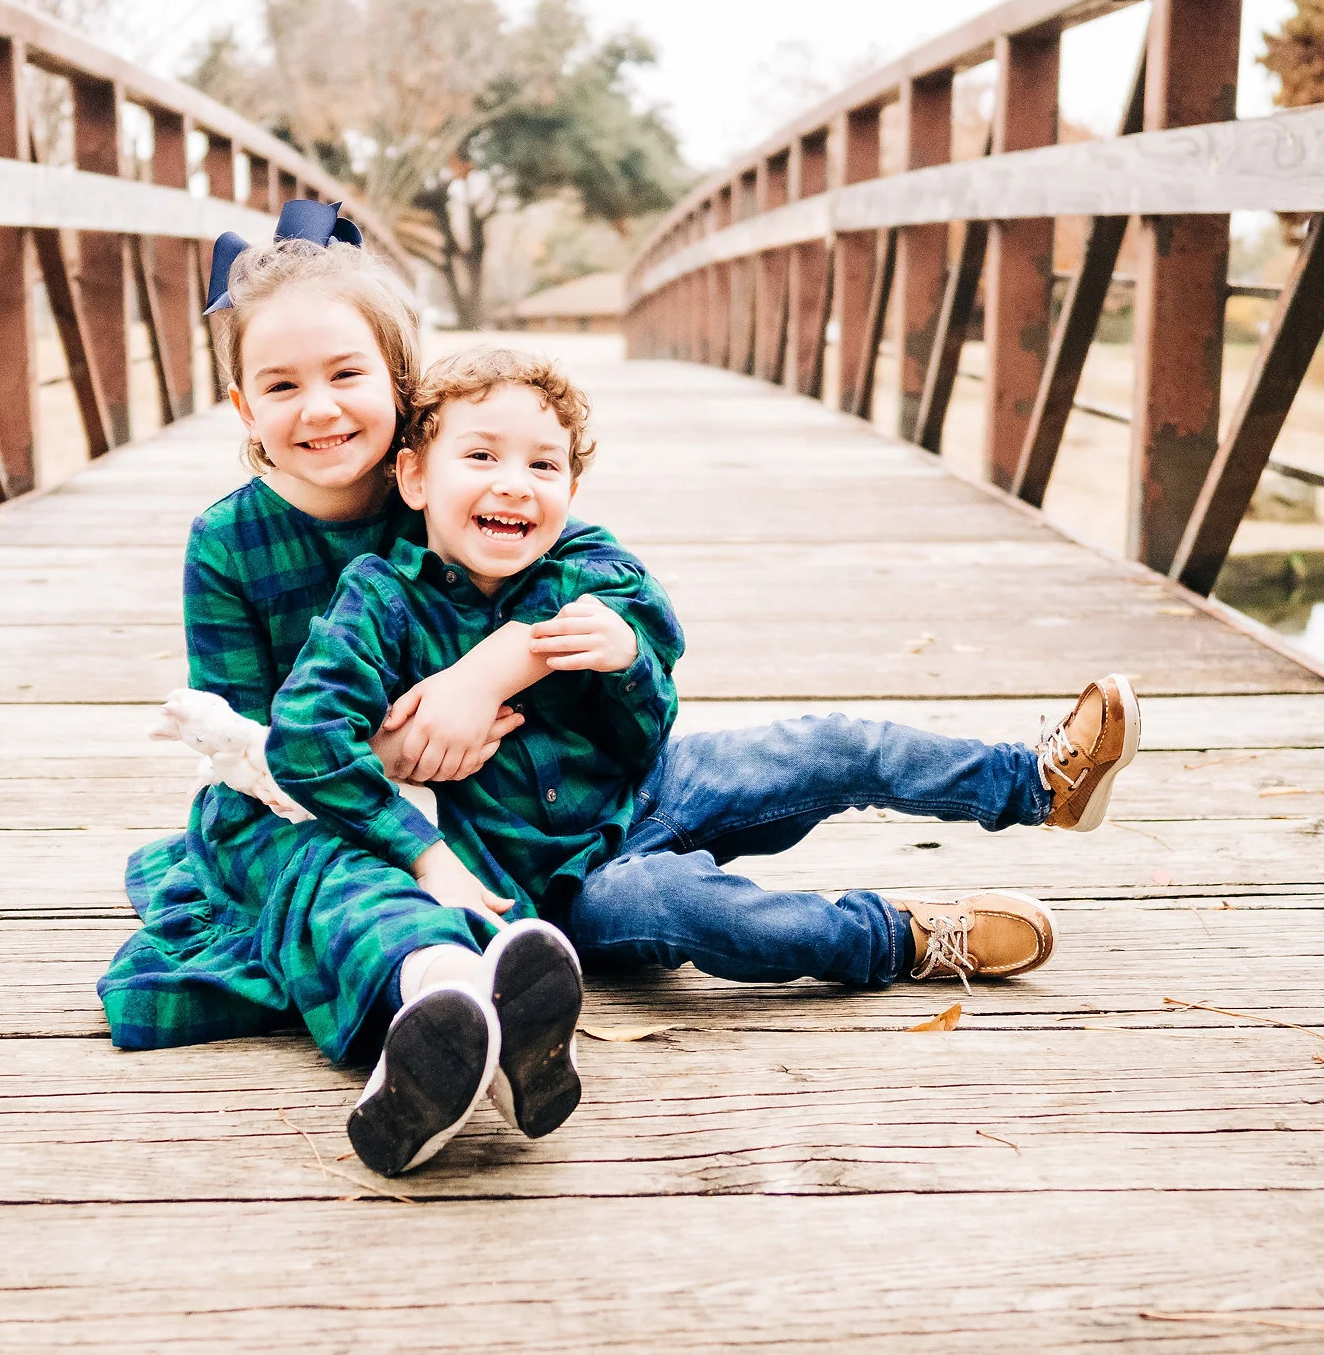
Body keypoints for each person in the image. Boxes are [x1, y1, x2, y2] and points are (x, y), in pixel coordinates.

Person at [262, 347, 1140, 1176]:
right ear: (415, 476)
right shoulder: (377, 603)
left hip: (650, 784)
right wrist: (424, 851)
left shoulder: (589, 566)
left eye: (544, 466)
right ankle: (900, 938)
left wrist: (627, 662)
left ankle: (1035, 783)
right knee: (716, 921)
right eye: (480, 455)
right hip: (572, 886)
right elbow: (301, 741)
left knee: (831, 746)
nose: (513, 485)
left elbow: (649, 717)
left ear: (572, 484)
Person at [98, 206, 637, 1073]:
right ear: (242, 405)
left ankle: (477, 1020)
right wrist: (375, 765)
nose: (319, 409)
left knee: (491, 850)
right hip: (286, 790)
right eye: (280, 386)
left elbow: (589, 571)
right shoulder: (227, 544)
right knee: (326, 868)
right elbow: (246, 741)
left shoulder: (450, 485)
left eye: (347, 374)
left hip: (463, 781)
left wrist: (497, 666)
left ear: (400, 382)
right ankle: (440, 994)